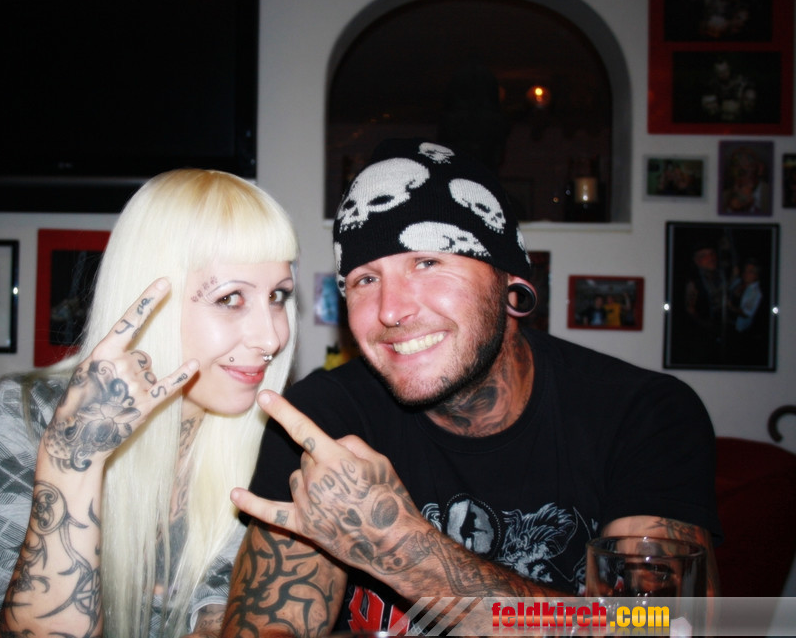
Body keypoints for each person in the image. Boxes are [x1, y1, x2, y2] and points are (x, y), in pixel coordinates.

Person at [221, 139, 721, 636]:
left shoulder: (644, 413)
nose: (391, 310)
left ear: (510, 281)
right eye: (365, 280)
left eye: (427, 262)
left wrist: (401, 548)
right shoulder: (322, 420)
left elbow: (660, 629)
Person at [0, 169, 299, 638]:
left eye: (278, 296)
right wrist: (72, 463)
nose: (272, 337)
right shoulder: (21, 414)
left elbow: (226, 612)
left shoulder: (274, 435)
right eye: (230, 298)